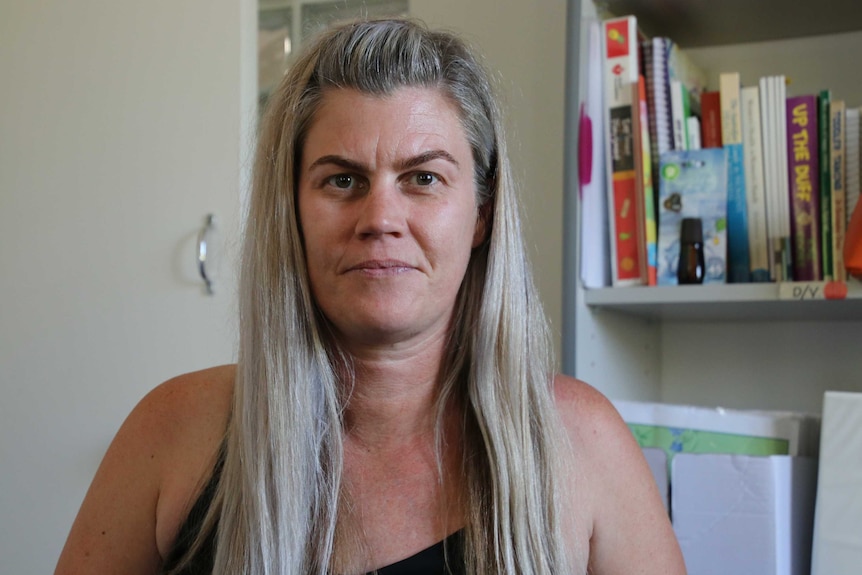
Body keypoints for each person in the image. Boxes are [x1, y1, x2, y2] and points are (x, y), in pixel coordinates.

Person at [54, 18, 685, 575]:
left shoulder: (583, 443)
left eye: (424, 178)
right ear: (291, 212)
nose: (380, 217)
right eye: (343, 179)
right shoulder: (170, 433)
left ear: (483, 214)